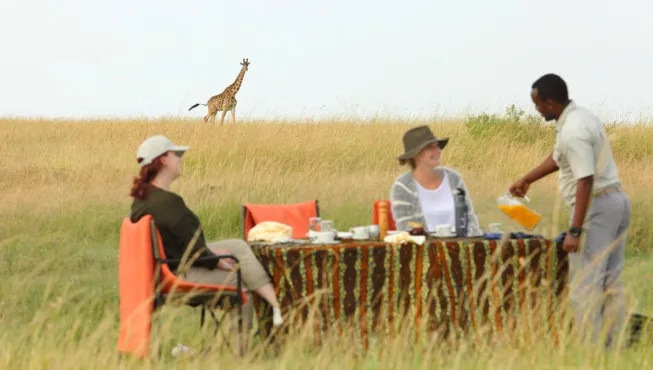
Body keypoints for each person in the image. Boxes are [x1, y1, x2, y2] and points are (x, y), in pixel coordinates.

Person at [509, 73, 631, 347]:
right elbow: (558, 157)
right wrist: (527, 178)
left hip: (596, 205)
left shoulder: (573, 131)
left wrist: (575, 230)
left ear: (551, 102)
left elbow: (584, 178)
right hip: (617, 201)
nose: (537, 109)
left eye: (538, 103)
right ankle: (615, 349)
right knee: (610, 282)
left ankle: (591, 353)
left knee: (585, 286)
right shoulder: (581, 117)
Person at [128, 134, 284, 338]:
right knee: (239, 284)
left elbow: (183, 243)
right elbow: (194, 250)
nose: (180, 159)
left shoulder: (145, 199)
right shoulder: (168, 203)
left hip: (171, 263)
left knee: (236, 246)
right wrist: (218, 261)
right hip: (180, 271)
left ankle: (276, 306)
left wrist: (212, 253)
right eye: (177, 155)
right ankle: (240, 356)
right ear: (164, 160)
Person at [390, 125, 483, 236]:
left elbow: (471, 221)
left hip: (461, 248)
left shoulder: (454, 179)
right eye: (430, 147)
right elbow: (405, 229)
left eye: (437, 146)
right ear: (416, 154)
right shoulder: (402, 187)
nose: (438, 151)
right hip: (423, 251)